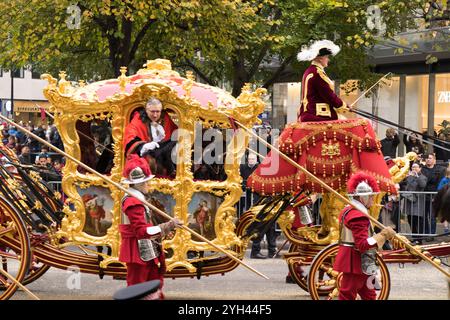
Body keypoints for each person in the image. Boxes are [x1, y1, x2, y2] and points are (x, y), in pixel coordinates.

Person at [119, 154, 182, 299]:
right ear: (139, 183)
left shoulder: (139, 197)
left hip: (147, 248)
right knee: (137, 289)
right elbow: (142, 231)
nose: (149, 185)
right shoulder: (132, 202)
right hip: (137, 249)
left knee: (152, 285)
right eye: (147, 182)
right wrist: (168, 225)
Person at [333, 172, 396, 300]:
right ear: (363, 198)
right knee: (347, 295)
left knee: (370, 295)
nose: (373, 200)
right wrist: (383, 235)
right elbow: (362, 245)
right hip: (356, 262)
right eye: (371, 197)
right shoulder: (358, 216)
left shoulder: (349, 210)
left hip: (364, 263)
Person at [297, 39, 350, 122]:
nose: (328, 60)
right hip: (317, 113)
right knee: (344, 121)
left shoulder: (310, 70)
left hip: (308, 112)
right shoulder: (317, 73)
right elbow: (328, 95)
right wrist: (343, 105)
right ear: (320, 58)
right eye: (327, 57)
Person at [123, 97, 178, 177]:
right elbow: (130, 135)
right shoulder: (139, 119)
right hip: (146, 155)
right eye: (152, 112)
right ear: (146, 110)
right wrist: (143, 146)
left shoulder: (165, 118)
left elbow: (175, 132)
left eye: (157, 112)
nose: (155, 115)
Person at [402, 162, 428, 243]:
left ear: (420, 168)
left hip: (418, 202)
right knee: (410, 220)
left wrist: (417, 176)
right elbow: (407, 186)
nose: (414, 169)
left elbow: (423, 185)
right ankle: (414, 238)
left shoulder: (423, 177)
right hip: (409, 201)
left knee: (418, 221)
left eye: (416, 167)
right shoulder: (410, 177)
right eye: (413, 167)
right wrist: (409, 177)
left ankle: (419, 239)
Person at [421, 153, 446, 236]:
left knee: (432, 217)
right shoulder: (422, 169)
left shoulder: (440, 169)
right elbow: (424, 182)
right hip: (424, 196)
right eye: (427, 158)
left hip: (434, 196)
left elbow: (439, 183)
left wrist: (436, 196)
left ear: (434, 160)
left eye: (430, 158)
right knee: (424, 216)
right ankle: (425, 233)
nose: (428, 159)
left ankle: (431, 234)